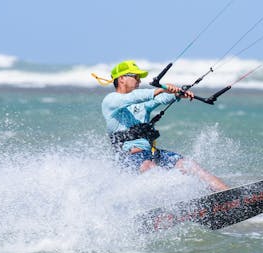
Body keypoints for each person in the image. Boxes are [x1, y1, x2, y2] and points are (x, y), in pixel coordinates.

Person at [94, 60, 229, 191]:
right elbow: (135, 97)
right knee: (150, 169)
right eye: (136, 76)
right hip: (129, 158)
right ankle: (170, 207)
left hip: (152, 154)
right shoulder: (111, 101)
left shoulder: (142, 105)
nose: (139, 80)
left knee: (189, 166)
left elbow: (161, 98)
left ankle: (229, 194)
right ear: (122, 78)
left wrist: (178, 93)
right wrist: (159, 90)